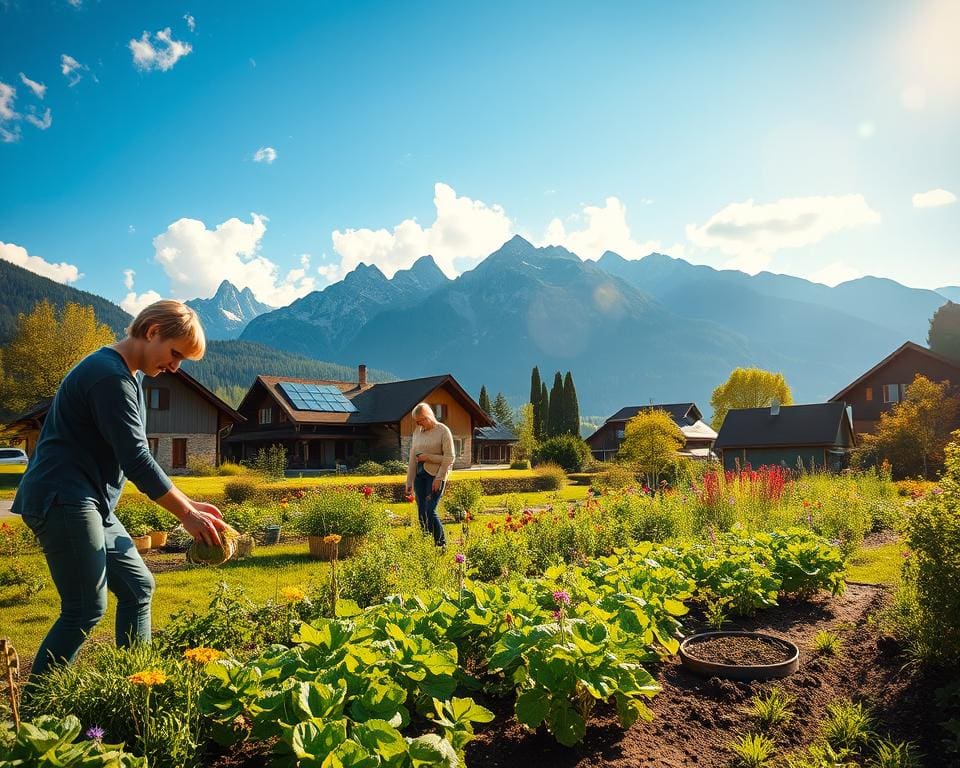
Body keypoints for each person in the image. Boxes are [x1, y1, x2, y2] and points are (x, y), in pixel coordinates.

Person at [12, 300, 229, 678]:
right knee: (84, 608)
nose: (175, 367)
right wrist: (187, 514)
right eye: (175, 353)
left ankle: (137, 686)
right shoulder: (108, 376)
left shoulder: (129, 375)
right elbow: (136, 459)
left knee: (138, 588)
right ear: (151, 332)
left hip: (90, 503)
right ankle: (37, 716)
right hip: (63, 498)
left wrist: (189, 502)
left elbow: (132, 453)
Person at [404, 402, 455, 547]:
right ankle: (426, 543)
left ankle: (441, 545)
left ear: (427, 417)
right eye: (416, 422)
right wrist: (409, 482)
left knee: (430, 510)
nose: (418, 424)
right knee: (421, 513)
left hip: (436, 475)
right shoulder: (417, 433)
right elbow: (413, 458)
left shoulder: (443, 431)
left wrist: (439, 477)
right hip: (420, 476)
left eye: (420, 421)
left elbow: (450, 458)